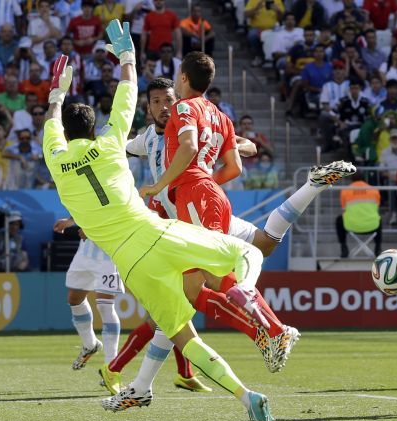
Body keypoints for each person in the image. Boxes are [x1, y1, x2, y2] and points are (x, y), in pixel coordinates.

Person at [43, 21, 274, 421]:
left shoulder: (55, 159)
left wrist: (56, 93)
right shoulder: (111, 144)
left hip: (132, 266)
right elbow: (126, 97)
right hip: (156, 233)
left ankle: (243, 395)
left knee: (183, 337)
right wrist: (127, 58)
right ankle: (246, 305)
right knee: (249, 253)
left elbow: (52, 122)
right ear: (94, 129)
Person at [109, 75, 354, 398]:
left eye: (169, 99)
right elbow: (114, 146)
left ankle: (268, 331)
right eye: (157, 102)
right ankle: (312, 185)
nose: (165, 106)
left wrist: (228, 145)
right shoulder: (145, 141)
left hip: (194, 214)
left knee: (189, 297)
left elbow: (244, 146)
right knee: (263, 245)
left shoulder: (189, 122)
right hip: (193, 211)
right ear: (148, 108)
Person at [53, 218, 122, 372]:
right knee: (74, 300)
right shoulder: (86, 193)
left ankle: (111, 367)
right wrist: (70, 221)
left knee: (105, 306)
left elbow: (118, 214)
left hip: (108, 255)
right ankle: (90, 344)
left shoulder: (118, 193)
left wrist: (92, 230)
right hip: (85, 253)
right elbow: (87, 208)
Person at [336, 170, 381, 258]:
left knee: (339, 220)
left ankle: (343, 247)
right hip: (372, 226)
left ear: (351, 179)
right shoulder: (374, 190)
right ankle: (378, 248)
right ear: (365, 179)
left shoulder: (345, 191)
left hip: (351, 226)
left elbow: (344, 208)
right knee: (379, 219)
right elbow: (377, 206)